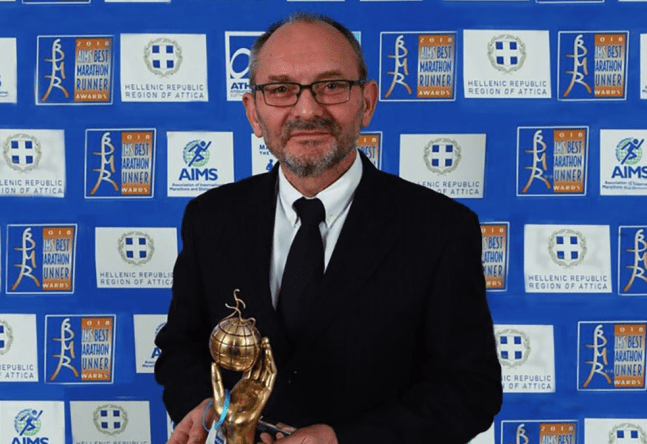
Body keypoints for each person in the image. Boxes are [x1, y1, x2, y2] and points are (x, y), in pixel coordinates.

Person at [154, 12, 502, 444]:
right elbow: (181, 347)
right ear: (253, 112)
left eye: (331, 86)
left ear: (367, 102)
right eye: (281, 89)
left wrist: (343, 439)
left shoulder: (441, 228)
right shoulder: (211, 217)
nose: (307, 109)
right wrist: (208, 406)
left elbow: (468, 390)